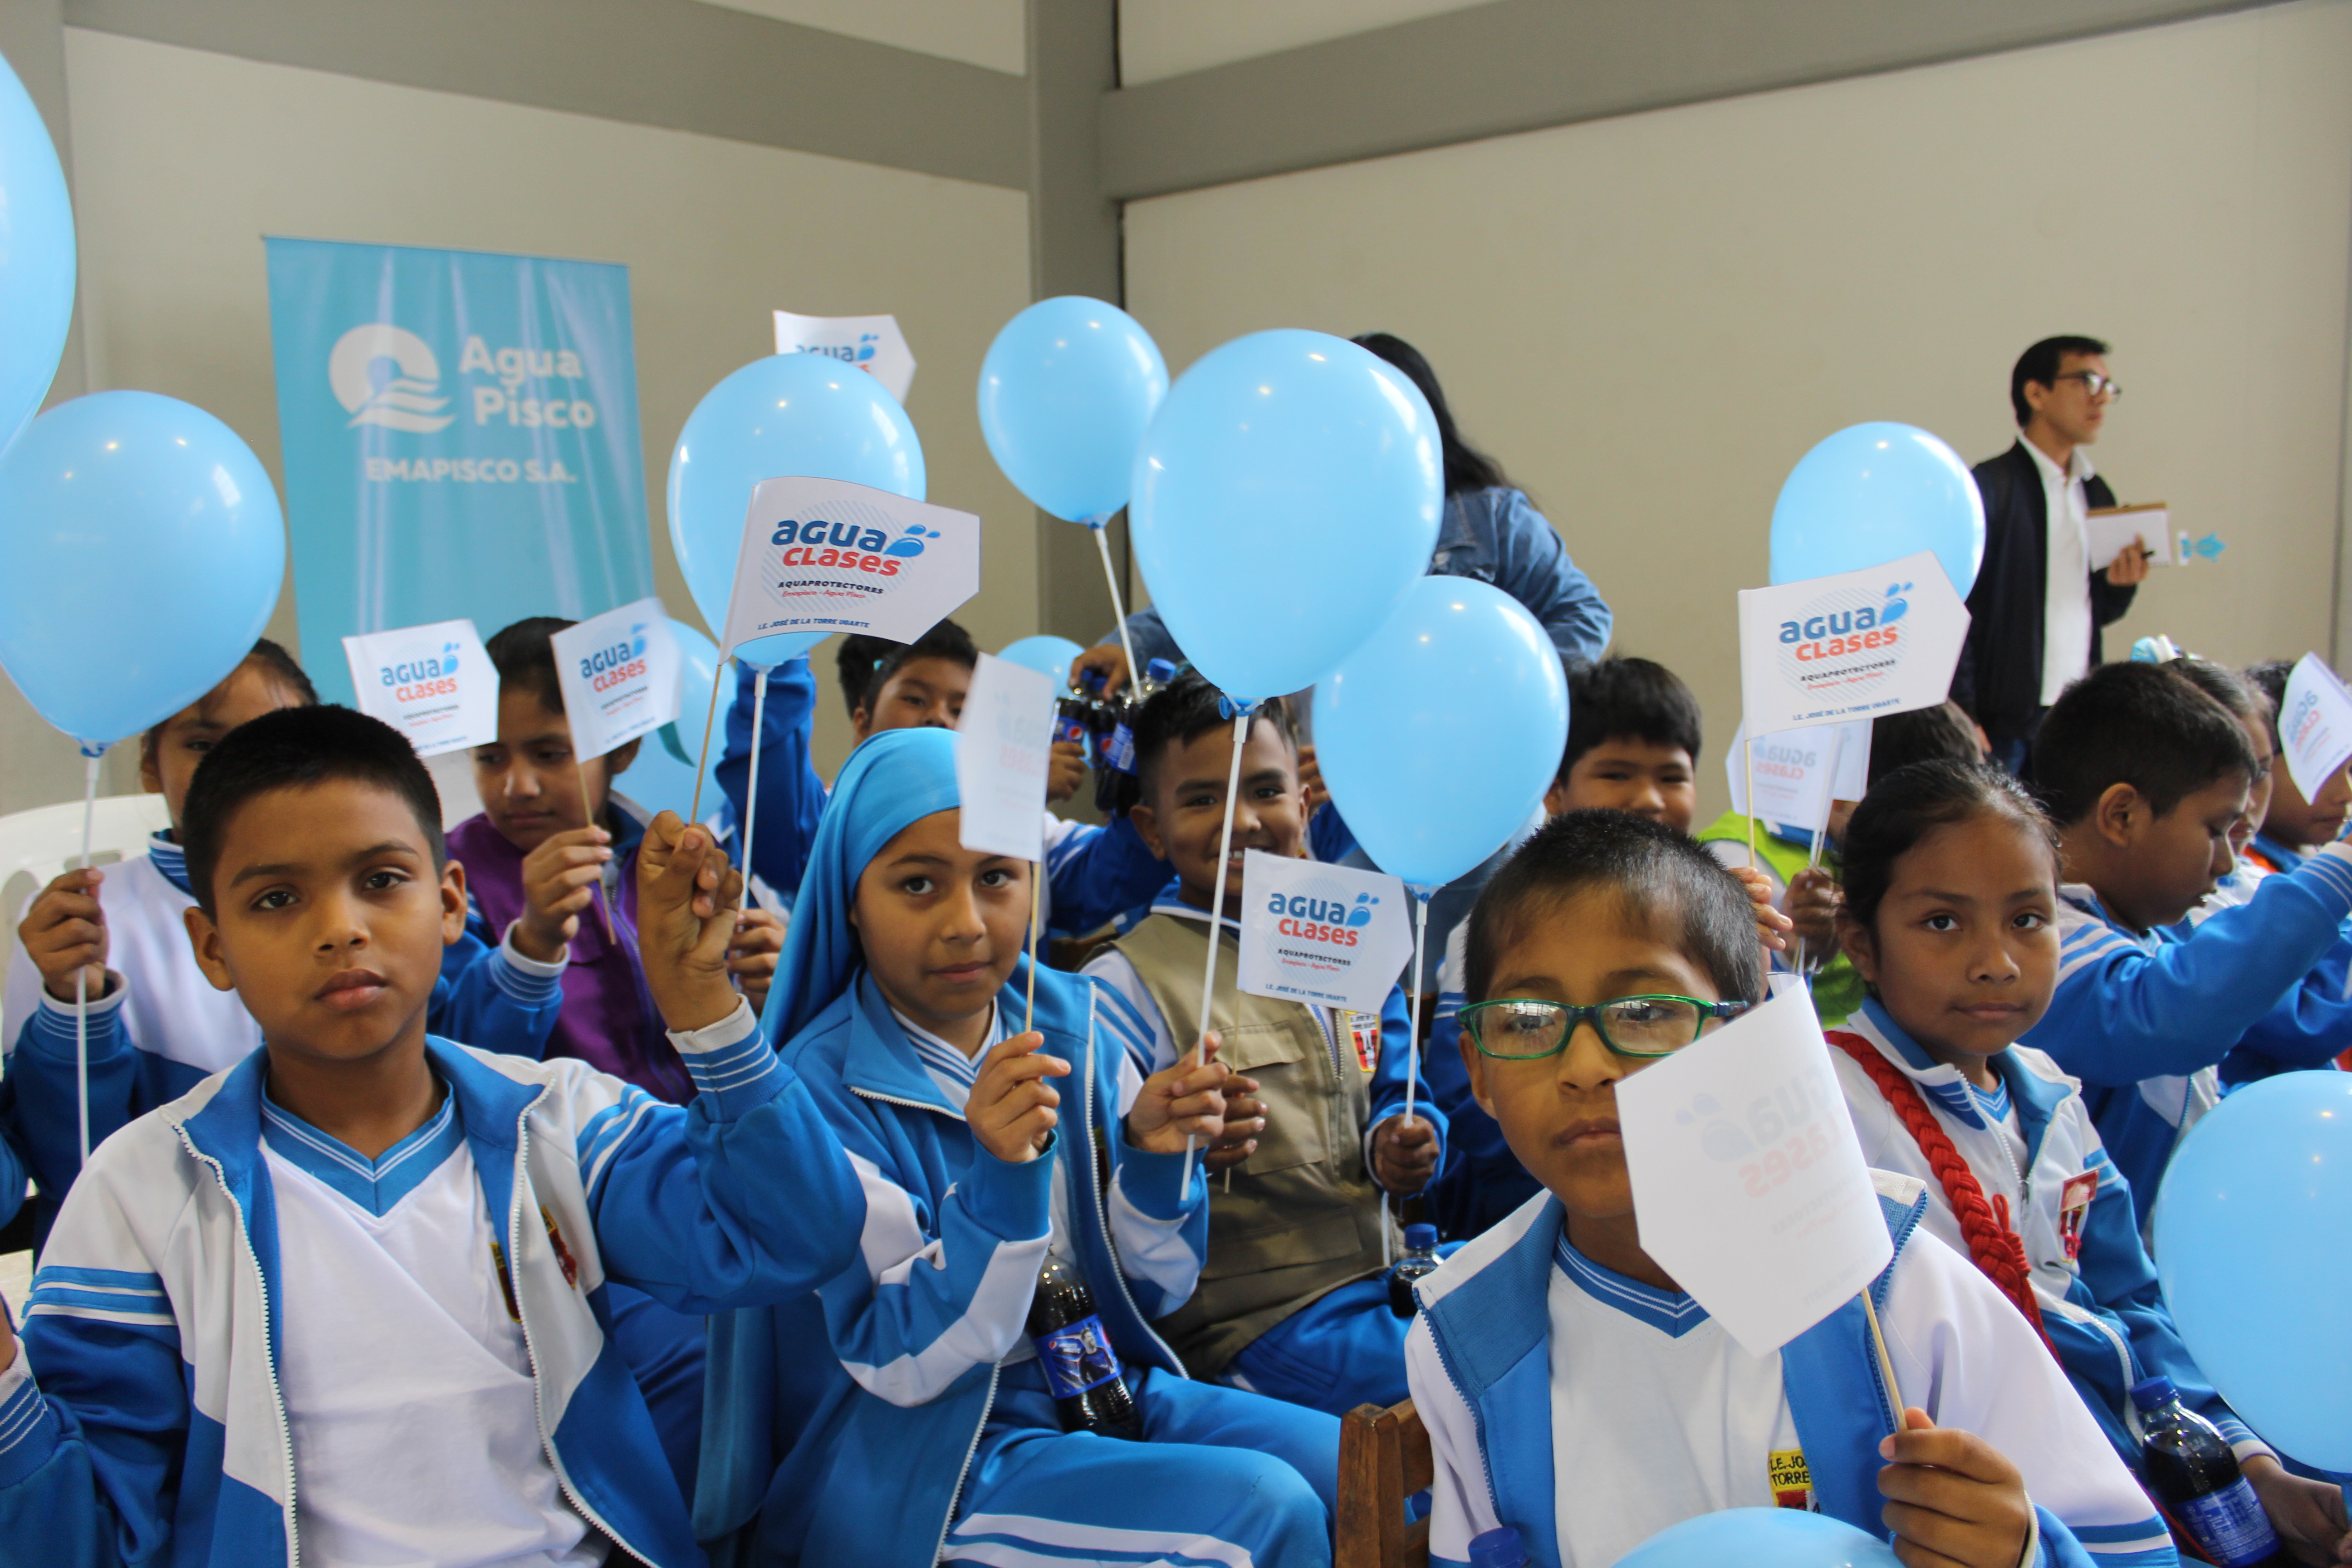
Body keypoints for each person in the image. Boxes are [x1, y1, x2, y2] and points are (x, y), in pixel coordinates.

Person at [0, 704, 867, 1565]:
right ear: (211, 944)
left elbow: (797, 1236)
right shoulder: (142, 1193)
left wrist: (709, 1016)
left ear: (450, 901)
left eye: (380, 880)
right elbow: (82, 1540)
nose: (340, 927)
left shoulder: (561, 1126)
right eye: (275, 898)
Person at [1409, 809, 2177, 1568]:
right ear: (1475, 1068)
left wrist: (2021, 1553)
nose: (1582, 1065)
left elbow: (2129, 1552)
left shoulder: (1884, 1276)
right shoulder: (1464, 1336)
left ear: (1743, 1036)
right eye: (1527, 1018)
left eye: (1645, 1012)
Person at [705, 725, 1338, 1568]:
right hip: (935, 1457)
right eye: (918, 883)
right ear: (850, 900)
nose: (966, 923)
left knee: (1352, 1467)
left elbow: (1152, 1291)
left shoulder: (1071, 1028)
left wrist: (1152, 1156)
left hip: (1094, 1382)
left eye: (997, 876)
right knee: (1264, 1512)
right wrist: (1001, 1187)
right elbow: (898, 1360)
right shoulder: (820, 1094)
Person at [1828, 760, 2351, 1561]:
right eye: (1941, 922)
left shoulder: (2048, 1095)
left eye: (2026, 920)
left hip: (2116, 1456)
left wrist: (2246, 1463)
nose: (1994, 961)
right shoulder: (1829, 1106)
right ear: (1860, 944)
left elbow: (2130, 1301)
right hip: (1964, 1502)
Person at [5, 641, 562, 1222]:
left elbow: (479, 1065)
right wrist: (79, 1011)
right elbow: (70, 1167)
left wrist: (533, 951)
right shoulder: (83, 927)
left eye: (274, 742)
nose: (340, 929)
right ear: (212, 946)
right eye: (202, 744)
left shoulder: (406, 921)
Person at [1078, 670, 1442, 1416]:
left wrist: (1403, 1139)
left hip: (1387, 1281)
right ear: (1151, 829)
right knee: (1460, 1369)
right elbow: (1097, 1195)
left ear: (1304, 804)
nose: (1241, 820)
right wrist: (1177, 1147)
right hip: (1255, 1327)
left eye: (1266, 791)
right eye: (1200, 799)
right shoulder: (1122, 982)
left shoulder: (1353, 933)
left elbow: (1399, 1078)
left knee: (1543, 1294)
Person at [1426, 656, 1789, 1239]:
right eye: (1617, 774)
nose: (1648, 798)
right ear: (1554, 790)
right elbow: (1462, 1103)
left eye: (1672, 776)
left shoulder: (1726, 916)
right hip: (1526, 1211)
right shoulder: (1492, 929)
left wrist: (1753, 972)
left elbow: (1762, 1089)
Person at [1079, 334, 1612, 689]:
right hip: (1332, 775)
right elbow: (1219, 599)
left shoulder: (1492, 520)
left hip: (1470, 763)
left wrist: (1505, 688)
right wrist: (1129, 648)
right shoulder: (1299, 524)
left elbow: (1584, 617)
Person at [2022, 662, 2352, 1207]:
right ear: (2122, 816)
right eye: (2214, 830)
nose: (2226, 862)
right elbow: (2170, 1013)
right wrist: (2341, 869)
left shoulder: (2146, 932)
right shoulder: (2042, 942)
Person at [455, 616, 786, 1104]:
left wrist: (775, 989)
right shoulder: (454, 879)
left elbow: (758, 1033)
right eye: (490, 757)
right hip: (569, 1164)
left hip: (715, 1138)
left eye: (549, 754)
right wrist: (532, 945)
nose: (517, 786)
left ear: (624, 749)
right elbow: (457, 1059)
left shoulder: (684, 860)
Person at [1696, 703, 1980, 1031]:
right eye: (1909, 832)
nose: (1930, 852)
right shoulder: (1741, 860)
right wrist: (1795, 954)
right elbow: (1725, 1017)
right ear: (1843, 795)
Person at [1952, 336, 2151, 773]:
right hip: (1998, 719)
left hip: (2072, 715)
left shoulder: (2096, 492)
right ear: (2036, 393)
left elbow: (2090, 610)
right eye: (2087, 380)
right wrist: (1963, 710)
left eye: (2109, 387)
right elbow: (1957, 605)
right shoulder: (1990, 486)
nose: (2101, 397)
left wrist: (2120, 587)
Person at [2164, 659, 2352, 1086]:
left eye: (2261, 773)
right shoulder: (2182, 904)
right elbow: (2307, 1022)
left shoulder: (2248, 876)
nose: (2245, 800)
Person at [2242, 659, 2352, 874]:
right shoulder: (2244, 875)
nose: (2346, 793)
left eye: (2351, 771)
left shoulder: (2331, 843)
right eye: (2322, 770)